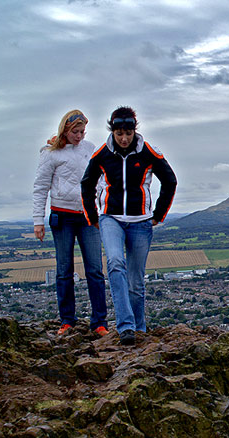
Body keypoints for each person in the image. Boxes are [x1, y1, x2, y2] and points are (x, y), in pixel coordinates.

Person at [80, 107, 174, 343]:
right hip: (110, 218)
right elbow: (86, 184)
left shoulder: (148, 152)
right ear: (112, 131)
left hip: (141, 221)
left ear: (135, 130)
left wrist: (158, 215)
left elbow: (170, 181)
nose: (123, 138)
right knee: (114, 263)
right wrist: (94, 218)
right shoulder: (102, 154)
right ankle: (125, 327)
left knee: (135, 280)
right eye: (119, 133)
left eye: (128, 133)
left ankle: (139, 329)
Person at [29, 110, 107, 336]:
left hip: (87, 216)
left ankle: (99, 322)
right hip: (61, 216)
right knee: (64, 270)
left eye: (83, 131)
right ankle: (67, 321)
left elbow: (101, 178)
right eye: (75, 131)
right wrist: (38, 221)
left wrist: (99, 206)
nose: (80, 136)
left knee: (95, 270)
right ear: (65, 129)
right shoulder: (51, 153)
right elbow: (40, 187)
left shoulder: (90, 149)